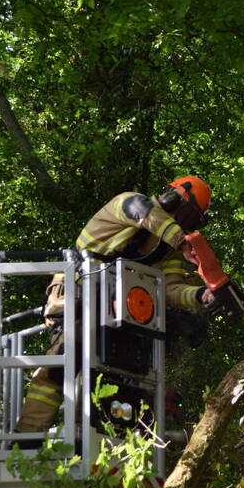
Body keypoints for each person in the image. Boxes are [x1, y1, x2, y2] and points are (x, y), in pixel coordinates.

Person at [15, 176, 214, 433]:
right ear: (173, 198)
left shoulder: (170, 250)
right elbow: (142, 213)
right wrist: (182, 241)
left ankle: (114, 435)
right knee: (61, 365)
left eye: (194, 220)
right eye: (189, 214)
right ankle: (27, 435)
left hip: (121, 316)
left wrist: (202, 295)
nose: (186, 223)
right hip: (75, 298)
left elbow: (169, 289)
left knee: (128, 373)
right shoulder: (129, 204)